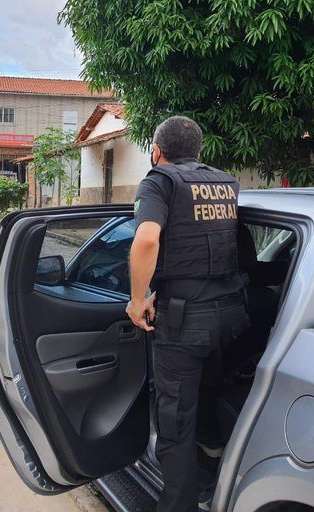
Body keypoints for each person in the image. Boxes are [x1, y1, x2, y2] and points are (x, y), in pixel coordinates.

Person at [125, 116, 248, 512]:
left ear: (156, 151)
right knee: (210, 384)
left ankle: (178, 504)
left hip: (184, 321)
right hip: (230, 314)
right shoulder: (225, 182)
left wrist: (137, 298)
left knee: (174, 423)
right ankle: (213, 450)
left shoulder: (159, 180)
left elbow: (146, 239)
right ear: (198, 151)